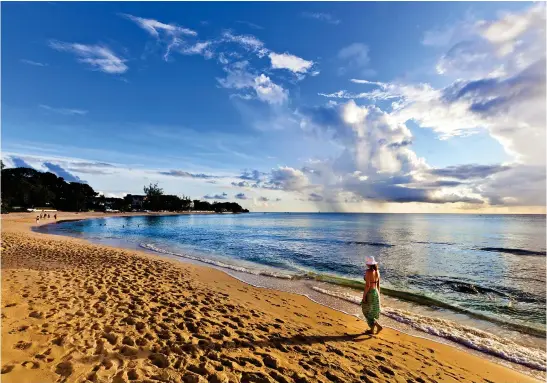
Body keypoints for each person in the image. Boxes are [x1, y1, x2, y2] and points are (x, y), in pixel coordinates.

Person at [361, 256, 383, 335]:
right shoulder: (377, 271)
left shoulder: (368, 272)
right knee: (371, 311)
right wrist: (378, 295)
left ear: (368, 264)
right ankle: (372, 329)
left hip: (370, 292)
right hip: (376, 292)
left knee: (365, 310)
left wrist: (364, 297)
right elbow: (378, 285)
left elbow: (367, 286)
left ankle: (377, 326)